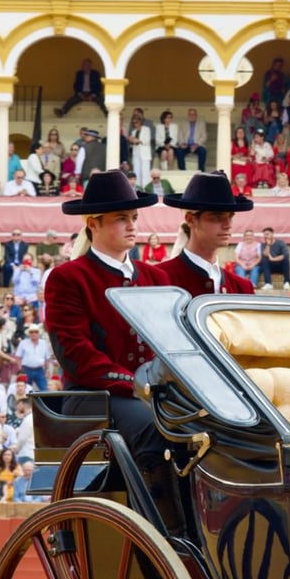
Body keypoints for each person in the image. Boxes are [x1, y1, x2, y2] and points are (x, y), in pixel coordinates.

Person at [43, 171, 182, 530]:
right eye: (121, 218)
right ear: (93, 224)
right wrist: (139, 386)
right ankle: (165, 532)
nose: (132, 225)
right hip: (94, 397)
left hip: (152, 394)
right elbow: (77, 356)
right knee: (154, 425)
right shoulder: (69, 278)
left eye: (133, 217)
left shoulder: (156, 279)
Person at [157, 172, 255, 296]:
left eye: (230, 216)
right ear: (191, 220)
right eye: (217, 216)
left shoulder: (242, 288)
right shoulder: (159, 279)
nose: (227, 225)